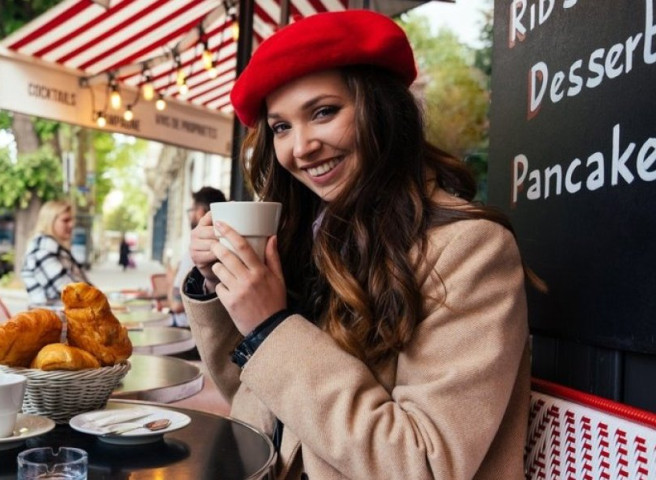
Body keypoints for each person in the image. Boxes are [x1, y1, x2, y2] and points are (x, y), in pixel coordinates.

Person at [182, 11, 542, 480]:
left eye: (323, 111)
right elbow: (263, 405)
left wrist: (269, 328)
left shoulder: (469, 249)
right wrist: (221, 291)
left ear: (382, 109)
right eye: (281, 127)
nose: (301, 146)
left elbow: (427, 464)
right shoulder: (313, 236)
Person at [169, 186, 226, 328]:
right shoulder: (226, 245)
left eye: (191, 210)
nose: (190, 215)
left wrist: (170, 279)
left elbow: (177, 306)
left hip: (187, 329)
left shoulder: (197, 251)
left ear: (200, 212)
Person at [20, 200, 90, 305]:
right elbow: (72, 294)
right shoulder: (42, 250)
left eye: (72, 220)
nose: (72, 224)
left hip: (65, 317)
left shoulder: (56, 249)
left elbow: (84, 290)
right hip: (54, 319)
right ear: (50, 221)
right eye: (66, 220)